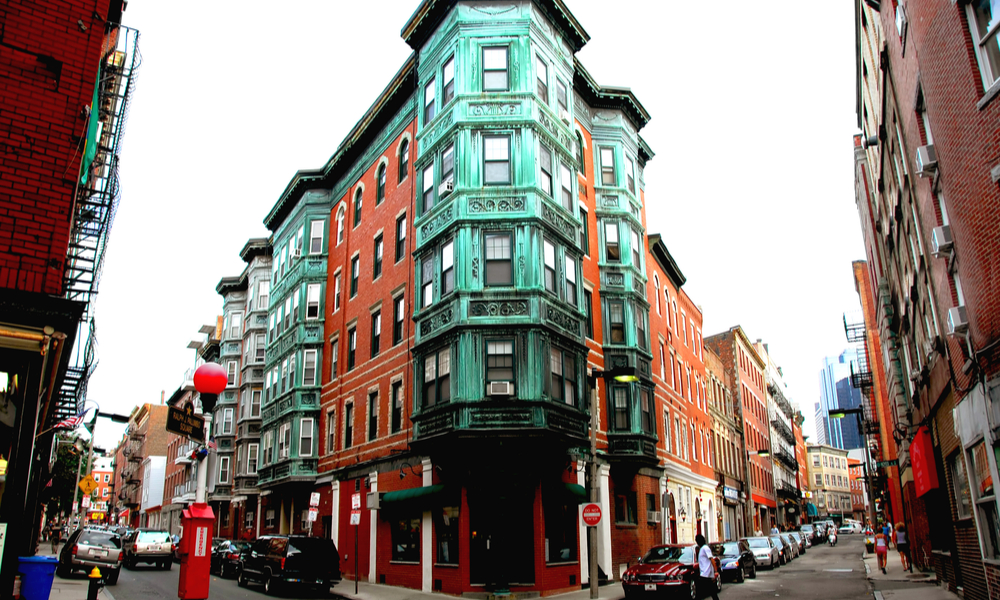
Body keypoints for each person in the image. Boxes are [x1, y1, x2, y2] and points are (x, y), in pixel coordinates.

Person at [695, 534, 720, 600]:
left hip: (705, 574)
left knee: (700, 593)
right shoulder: (702, 549)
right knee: (712, 592)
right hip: (705, 574)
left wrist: (716, 571)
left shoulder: (705, 548)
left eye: (697, 542)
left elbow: (712, 559)